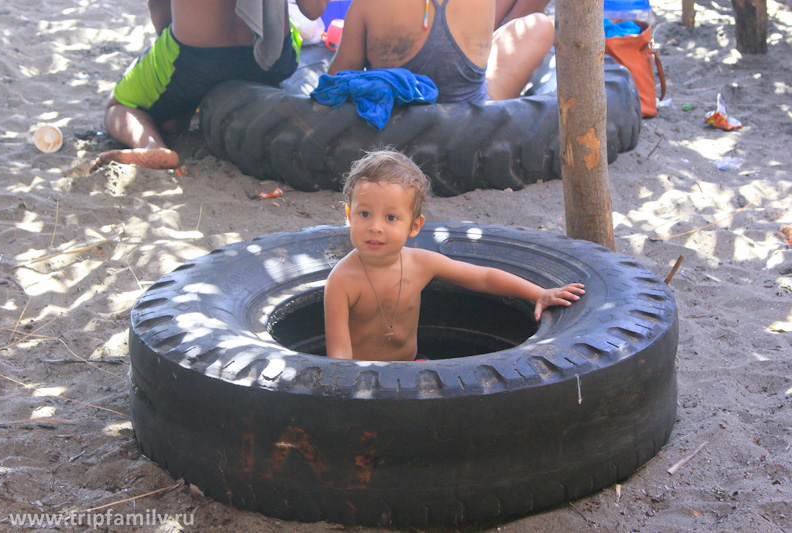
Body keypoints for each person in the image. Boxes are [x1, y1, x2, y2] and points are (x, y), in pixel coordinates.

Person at [324, 149, 585, 362]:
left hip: (413, 368)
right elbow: (339, 356)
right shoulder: (342, 281)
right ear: (349, 216)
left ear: (414, 226)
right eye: (364, 214)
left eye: (391, 217)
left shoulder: (420, 263)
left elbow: (483, 277)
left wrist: (537, 294)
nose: (375, 227)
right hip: (364, 380)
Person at [91, 0, 328, 172]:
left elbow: (157, 5)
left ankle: (154, 145)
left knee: (118, 105)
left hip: (195, 58)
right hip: (271, 56)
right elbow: (313, 9)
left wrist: (167, 46)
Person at [327, 0, 554, 103]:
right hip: (470, 108)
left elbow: (336, 80)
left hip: (398, 112)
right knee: (540, 25)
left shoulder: (369, 4)